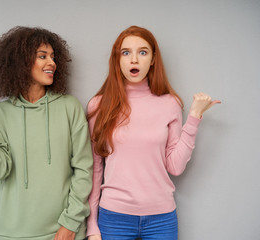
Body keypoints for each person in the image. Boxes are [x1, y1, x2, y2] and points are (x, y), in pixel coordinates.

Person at [0, 26, 93, 240]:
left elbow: (84, 170)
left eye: (53, 57)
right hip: (13, 232)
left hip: (62, 232)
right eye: (42, 56)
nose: (51, 63)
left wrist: (70, 224)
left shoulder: (69, 107)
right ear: (21, 61)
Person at [86, 26, 220, 240]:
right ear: (117, 59)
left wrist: (194, 117)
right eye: (126, 52)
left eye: (143, 52)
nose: (134, 60)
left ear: (153, 59)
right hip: (114, 218)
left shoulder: (170, 104)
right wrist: (92, 225)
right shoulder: (99, 105)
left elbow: (175, 166)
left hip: (161, 219)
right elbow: (94, 170)